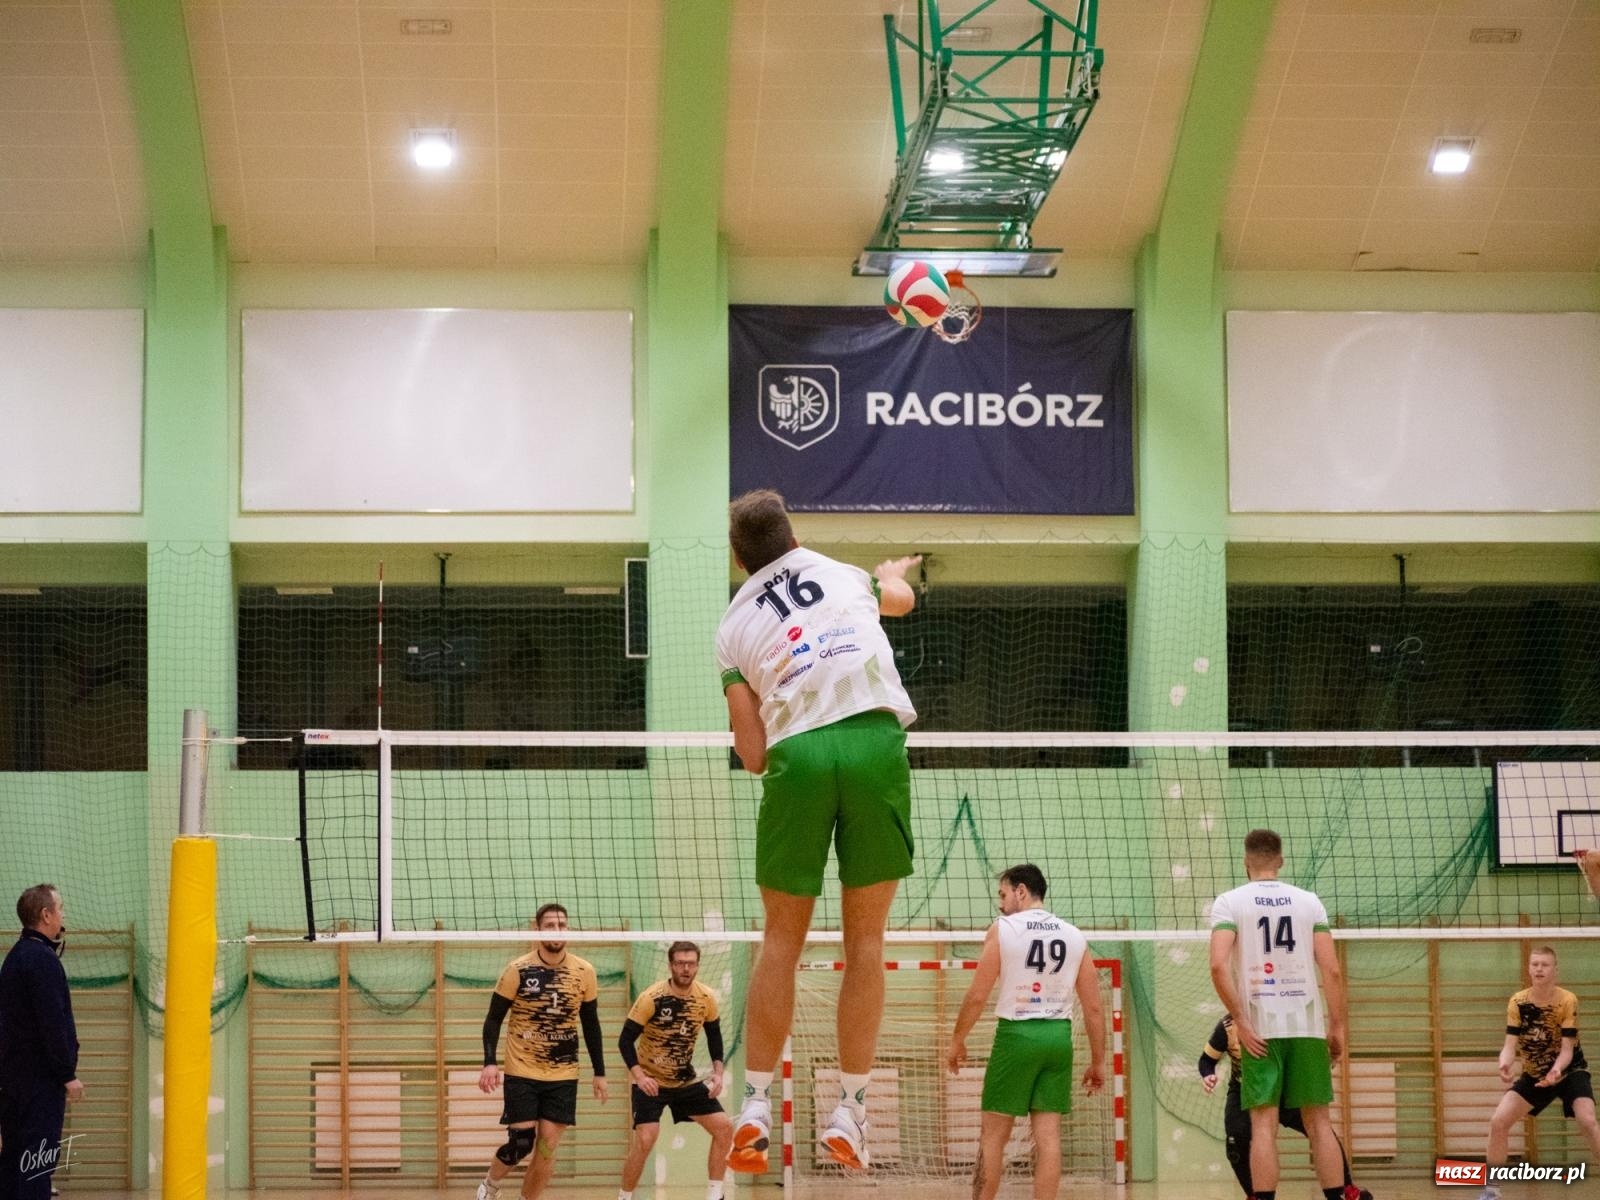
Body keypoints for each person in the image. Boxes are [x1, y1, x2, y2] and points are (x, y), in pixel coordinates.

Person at [716, 488, 920, 1173]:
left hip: (797, 756)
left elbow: (750, 754)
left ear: (739, 559)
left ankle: (752, 1105)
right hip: (873, 743)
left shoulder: (733, 626)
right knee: (866, 943)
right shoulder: (844, 575)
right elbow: (902, 604)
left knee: (781, 940)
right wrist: (893, 576)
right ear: (792, 532)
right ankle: (852, 1114)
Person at [1209, 829, 1362, 1200]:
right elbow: (1333, 971)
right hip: (1307, 1027)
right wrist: (1338, 1026)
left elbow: (1217, 966)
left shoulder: (1229, 902)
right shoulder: (1309, 902)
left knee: (1263, 1126)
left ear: (1246, 862)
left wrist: (1241, 1023)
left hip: (1260, 1029)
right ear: (1281, 860)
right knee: (1319, 1123)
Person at [945, 865, 1105, 1200]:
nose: (1001, 904)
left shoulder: (1003, 929)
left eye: (1003, 895)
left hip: (1017, 1036)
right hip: (1058, 1039)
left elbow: (977, 994)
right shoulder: (1074, 935)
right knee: (1048, 1139)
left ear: (1021, 891)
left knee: (993, 1137)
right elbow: (1092, 1008)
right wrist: (1098, 1062)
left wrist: (957, 1039)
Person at [475, 903, 607, 1200]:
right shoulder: (518, 969)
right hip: (522, 1070)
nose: (557, 931)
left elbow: (591, 1024)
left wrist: (600, 1071)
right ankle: (490, 1186)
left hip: (563, 1074)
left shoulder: (585, 972)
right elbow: (493, 1019)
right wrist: (489, 1063)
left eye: (562, 925)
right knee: (521, 1143)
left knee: (547, 1148)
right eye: (550, 925)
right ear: (537, 929)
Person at [1198, 1014, 1369, 1200]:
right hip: (1244, 1089)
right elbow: (1206, 1060)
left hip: (1287, 1089)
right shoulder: (1227, 1027)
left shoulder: (1287, 1018)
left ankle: (1347, 1189)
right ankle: (1254, 1195)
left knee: (1321, 1130)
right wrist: (1208, 1075)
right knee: (1236, 1140)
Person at [1479, 945, 1600, 1200]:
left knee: (1588, 1121)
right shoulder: (1518, 1002)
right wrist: (1505, 1064)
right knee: (1498, 1122)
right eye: (1535, 964)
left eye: (1544, 965)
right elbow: (1509, 1046)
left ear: (1555, 970)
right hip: (1534, 1074)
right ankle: (1491, 1190)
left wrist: (1556, 1071)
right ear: (1529, 969)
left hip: (1569, 1071)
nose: (1539, 969)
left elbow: (1567, 1050)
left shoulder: (1567, 1000)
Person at [616, 941, 732, 1200]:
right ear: (671, 966)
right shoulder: (652, 998)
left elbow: (714, 1035)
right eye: (680, 963)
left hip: (684, 1082)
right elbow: (625, 1041)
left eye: (691, 963)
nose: (686, 968)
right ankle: (624, 1197)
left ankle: (715, 1195)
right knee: (646, 1140)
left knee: (724, 1128)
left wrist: (718, 1072)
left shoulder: (705, 998)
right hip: (651, 1081)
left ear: (697, 966)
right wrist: (640, 1077)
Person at [0, 885, 81, 1200]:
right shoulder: (41, 960)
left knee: (14, 1163)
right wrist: (67, 1074)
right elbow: (52, 1023)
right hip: (39, 1084)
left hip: (13, 1081)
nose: (63, 914)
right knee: (36, 1163)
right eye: (60, 907)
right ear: (46, 915)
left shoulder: (17, 956)